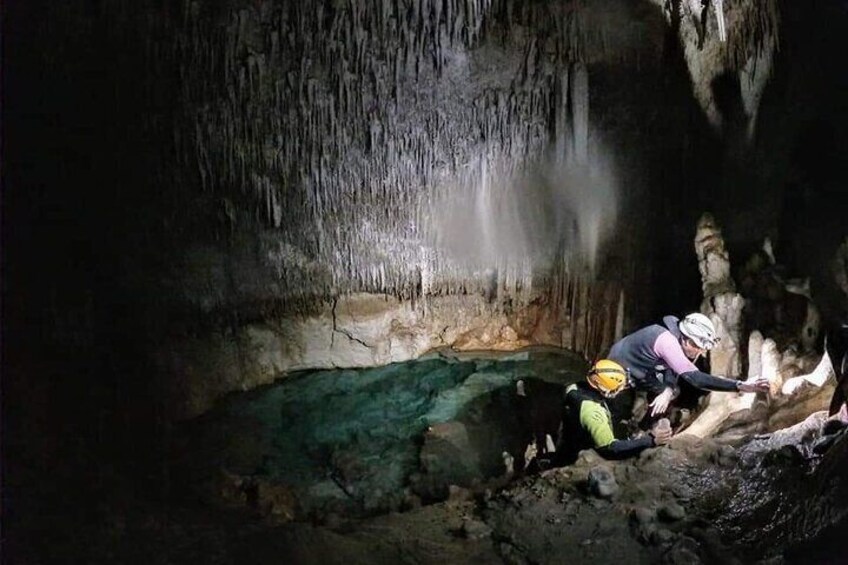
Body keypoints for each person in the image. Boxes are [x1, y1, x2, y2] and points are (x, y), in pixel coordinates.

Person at [608, 312, 770, 428]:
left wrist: (667, 391)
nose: (701, 353)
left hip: (641, 369)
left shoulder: (678, 337)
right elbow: (696, 379)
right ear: (687, 342)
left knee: (671, 391)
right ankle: (622, 432)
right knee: (617, 410)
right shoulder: (667, 341)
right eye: (699, 348)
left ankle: (643, 428)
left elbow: (673, 367)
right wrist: (740, 385)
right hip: (617, 369)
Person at [557, 359, 672, 466]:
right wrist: (651, 440)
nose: (621, 389)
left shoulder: (575, 387)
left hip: (568, 437)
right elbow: (611, 448)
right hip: (581, 452)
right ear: (604, 389)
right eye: (617, 388)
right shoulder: (592, 412)